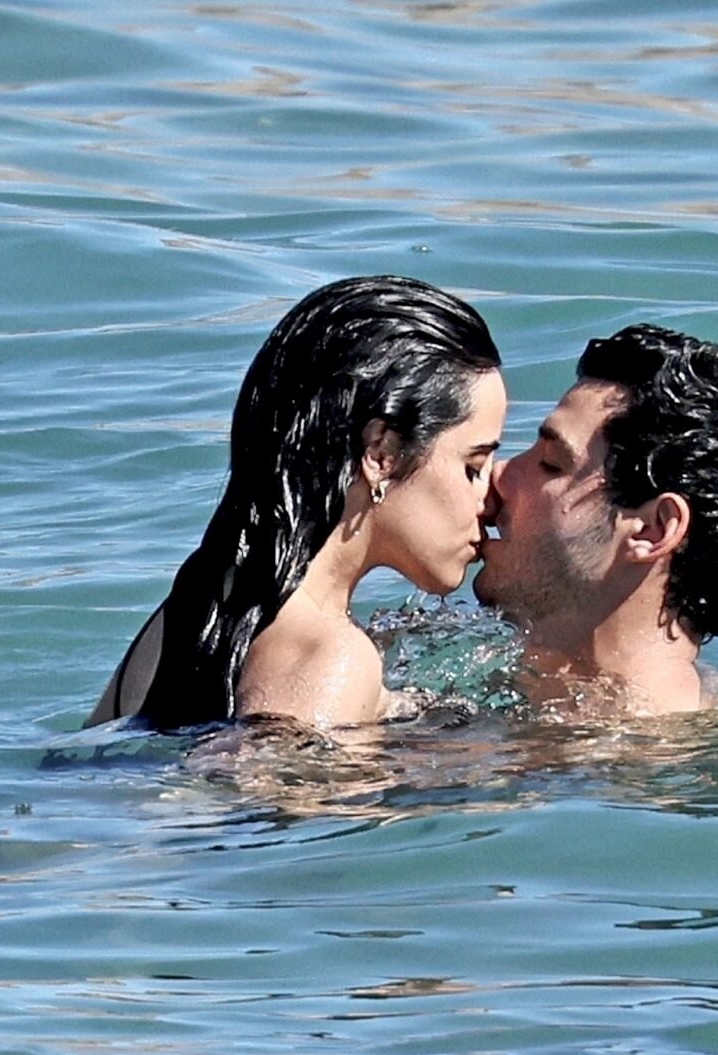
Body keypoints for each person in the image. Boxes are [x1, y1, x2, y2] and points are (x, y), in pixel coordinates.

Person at [86, 275, 506, 731]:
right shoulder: (331, 657)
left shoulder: (197, 604)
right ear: (380, 454)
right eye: (472, 467)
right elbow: (263, 774)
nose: (490, 500)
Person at [473, 323, 718, 717]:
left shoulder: (600, 752)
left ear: (653, 529)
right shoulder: (519, 697)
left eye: (551, 464)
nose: (498, 474)